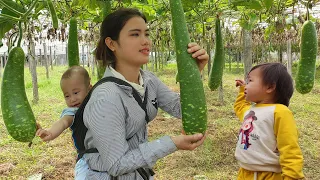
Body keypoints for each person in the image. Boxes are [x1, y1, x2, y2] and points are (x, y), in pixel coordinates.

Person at [78, 8, 208, 179]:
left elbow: (179, 109)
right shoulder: (105, 97)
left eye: (146, 34)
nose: (145, 41)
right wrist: (172, 143)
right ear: (111, 44)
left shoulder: (148, 80)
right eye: (135, 34)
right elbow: (116, 165)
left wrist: (194, 75)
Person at [234, 63, 304, 180]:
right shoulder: (251, 110)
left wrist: (292, 176)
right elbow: (240, 107)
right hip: (245, 173)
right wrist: (242, 91)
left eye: (250, 81)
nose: (247, 85)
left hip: (268, 175)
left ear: (270, 87)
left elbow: (289, 148)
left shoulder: (280, 112)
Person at [36, 66, 92, 179]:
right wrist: (50, 132)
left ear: (90, 89)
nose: (72, 99)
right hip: (86, 160)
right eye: (67, 96)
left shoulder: (99, 102)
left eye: (76, 93)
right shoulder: (73, 111)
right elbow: (63, 122)